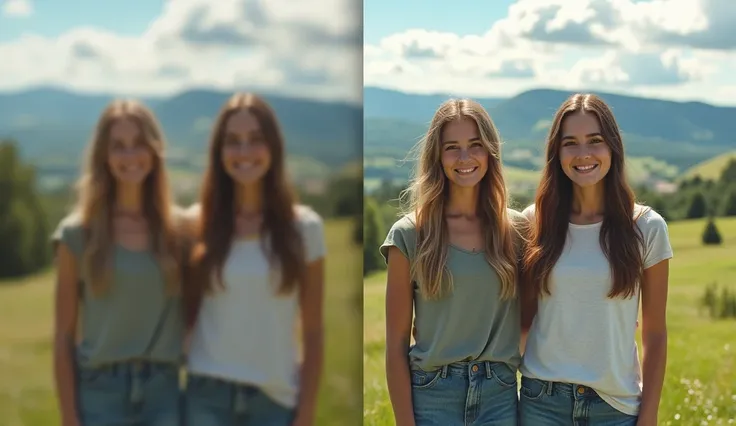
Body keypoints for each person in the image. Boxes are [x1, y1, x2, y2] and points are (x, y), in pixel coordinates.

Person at [519, 93, 672, 426]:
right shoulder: (534, 222)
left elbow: (655, 334)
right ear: (556, 153)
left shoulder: (647, 228)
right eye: (570, 143)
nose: (583, 154)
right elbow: (523, 317)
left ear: (612, 148)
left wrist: (649, 415)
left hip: (614, 407)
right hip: (541, 403)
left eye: (595, 141)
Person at [381, 98, 528, 426]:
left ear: (490, 151)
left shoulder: (517, 230)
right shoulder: (409, 235)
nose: (465, 158)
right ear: (437, 156)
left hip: (499, 395)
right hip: (433, 395)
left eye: (475, 145)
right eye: (452, 147)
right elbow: (395, 346)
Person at [182, 92, 326, 426]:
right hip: (206, 397)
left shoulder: (305, 229)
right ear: (219, 152)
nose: (244, 151)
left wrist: (305, 414)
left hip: (274, 401)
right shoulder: (194, 225)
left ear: (274, 147)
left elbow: (314, 332)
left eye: (255, 139)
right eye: (233, 141)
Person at [52, 100, 188, 426]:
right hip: (100, 394)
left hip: (163, 392)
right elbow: (62, 336)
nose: (130, 156)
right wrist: (70, 417)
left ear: (155, 151)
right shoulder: (76, 235)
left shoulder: (180, 231)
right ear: (104, 156)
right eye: (118, 146)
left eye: (139, 144)